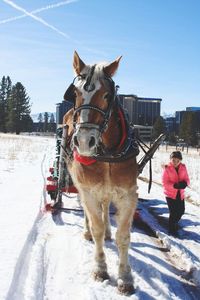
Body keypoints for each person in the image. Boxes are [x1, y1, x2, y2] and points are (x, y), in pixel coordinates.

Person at [162, 151, 190, 235]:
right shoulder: (167, 169)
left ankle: (174, 223)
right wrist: (174, 186)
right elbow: (165, 183)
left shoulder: (183, 167)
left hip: (180, 194)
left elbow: (187, 179)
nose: (175, 162)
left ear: (180, 160)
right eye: (173, 160)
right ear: (171, 159)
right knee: (173, 212)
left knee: (181, 211)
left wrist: (185, 183)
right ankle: (171, 229)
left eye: (178, 160)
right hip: (170, 194)